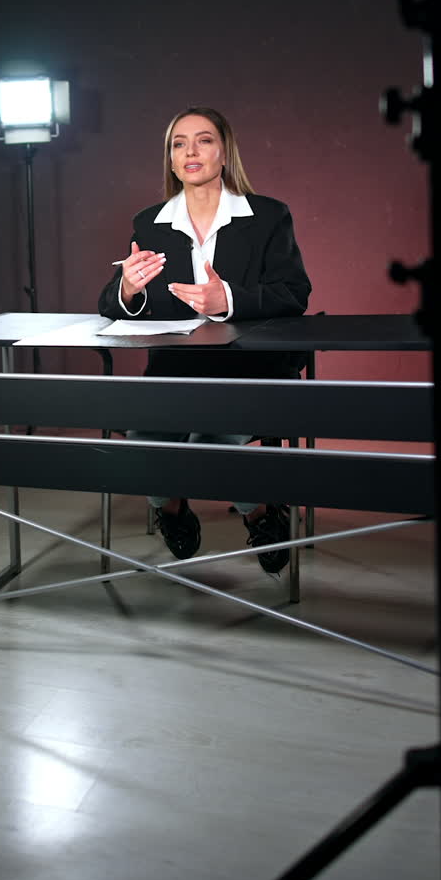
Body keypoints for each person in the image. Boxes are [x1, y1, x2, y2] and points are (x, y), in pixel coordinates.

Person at [98, 106, 311, 574]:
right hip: (175, 369)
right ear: (171, 160)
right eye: (179, 143)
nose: (190, 151)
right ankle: (172, 508)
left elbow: (294, 293)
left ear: (224, 151)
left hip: (250, 367)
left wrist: (227, 298)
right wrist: (129, 288)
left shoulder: (268, 216)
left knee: (212, 438)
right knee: (145, 438)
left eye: (204, 140)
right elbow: (111, 303)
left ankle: (259, 512)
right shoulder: (149, 222)